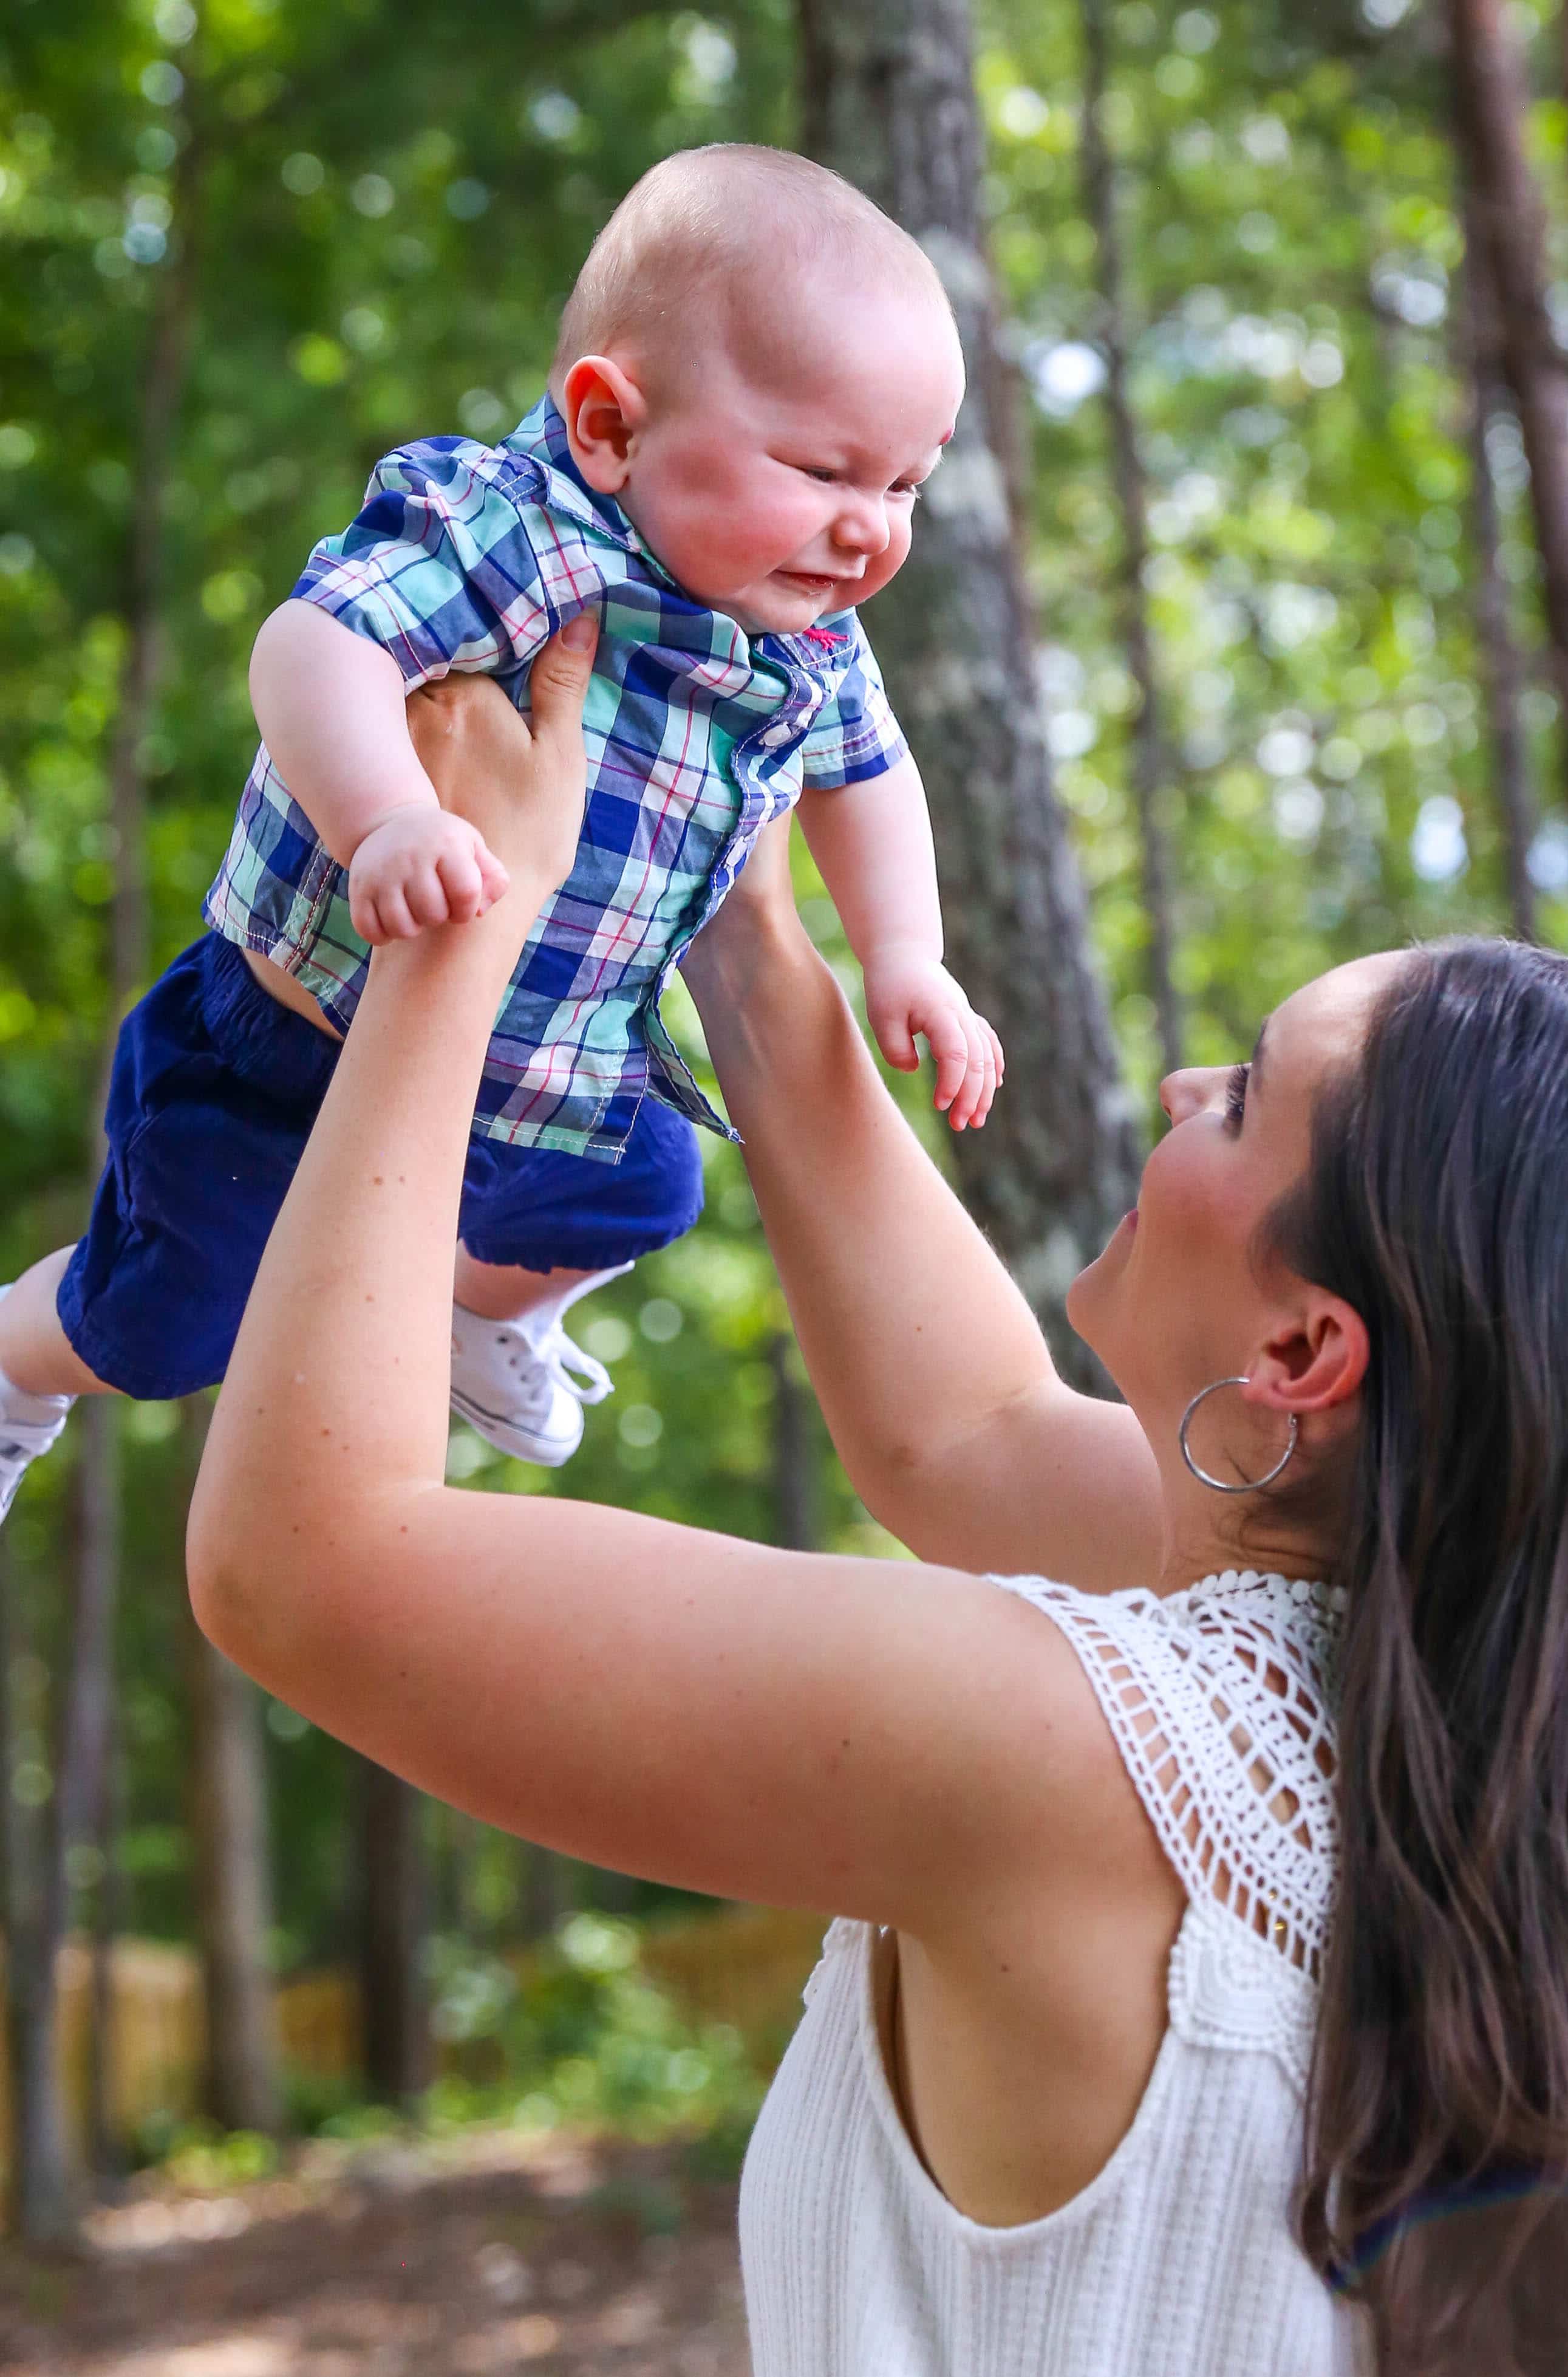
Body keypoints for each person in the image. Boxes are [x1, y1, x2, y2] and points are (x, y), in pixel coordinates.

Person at [188, 637, 1568, 2377]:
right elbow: (967, 1438)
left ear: (1302, 1352)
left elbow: (309, 1570)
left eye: (1244, 1098)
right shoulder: (1464, 1682)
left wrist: (460, 931)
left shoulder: (1077, 1752)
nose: (1183, 1086)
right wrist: (738, 888)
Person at [0, 143, 999, 1522]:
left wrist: (907, 955)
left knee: (652, 1187)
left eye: (905, 485)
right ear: (608, 427)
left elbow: (870, 775)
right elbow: (310, 649)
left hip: (543, 1069)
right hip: (300, 1040)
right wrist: (389, 818)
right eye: (826, 468)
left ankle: (485, 1319)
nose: (869, 531)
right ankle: (17, 1363)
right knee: (170, 1324)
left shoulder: (809, 633)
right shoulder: (510, 534)